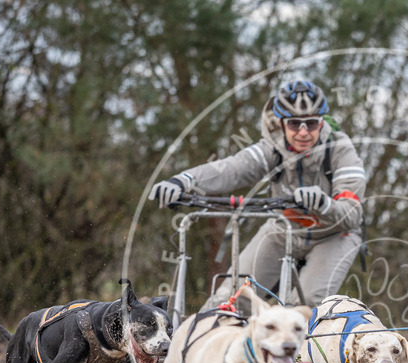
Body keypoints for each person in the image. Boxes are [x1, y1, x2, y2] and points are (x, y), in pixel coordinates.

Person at [149, 80, 366, 308]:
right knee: (229, 299)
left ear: (321, 123)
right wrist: (185, 180)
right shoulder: (271, 148)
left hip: (334, 234)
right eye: (294, 123)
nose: (303, 132)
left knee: (305, 306)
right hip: (285, 228)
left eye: (311, 124)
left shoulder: (341, 149)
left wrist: (324, 204)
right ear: (281, 123)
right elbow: (230, 168)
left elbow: (352, 214)